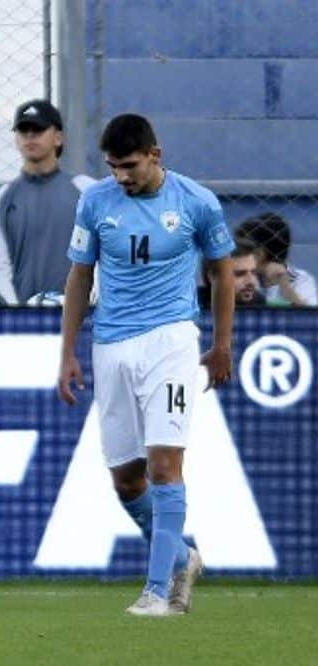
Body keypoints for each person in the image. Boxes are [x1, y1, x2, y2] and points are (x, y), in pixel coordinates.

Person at [59, 113, 235, 617]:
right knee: (127, 480)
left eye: (130, 166)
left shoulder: (197, 202)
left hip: (171, 341)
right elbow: (80, 276)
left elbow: (222, 274)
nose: (121, 176)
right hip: (111, 344)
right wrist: (68, 351)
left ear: (155, 155)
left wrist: (222, 345)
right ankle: (183, 558)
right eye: (113, 167)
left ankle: (158, 591)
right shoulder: (95, 202)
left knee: (164, 466)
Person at [0, 99, 95, 304]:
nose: (30, 136)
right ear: (16, 139)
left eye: (38, 129)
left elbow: (106, 257)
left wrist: (88, 306)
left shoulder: (89, 192)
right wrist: (18, 316)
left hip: (83, 315)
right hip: (25, 319)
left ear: (58, 137)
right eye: (23, 130)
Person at [234, 213, 317, 306]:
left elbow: (310, 313)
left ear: (260, 253)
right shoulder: (237, 276)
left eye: (244, 249)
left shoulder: (301, 280)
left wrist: (285, 286)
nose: (236, 253)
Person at [199, 238, 265, 307]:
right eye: (240, 274)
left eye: (254, 273)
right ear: (212, 277)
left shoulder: (259, 303)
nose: (251, 282)